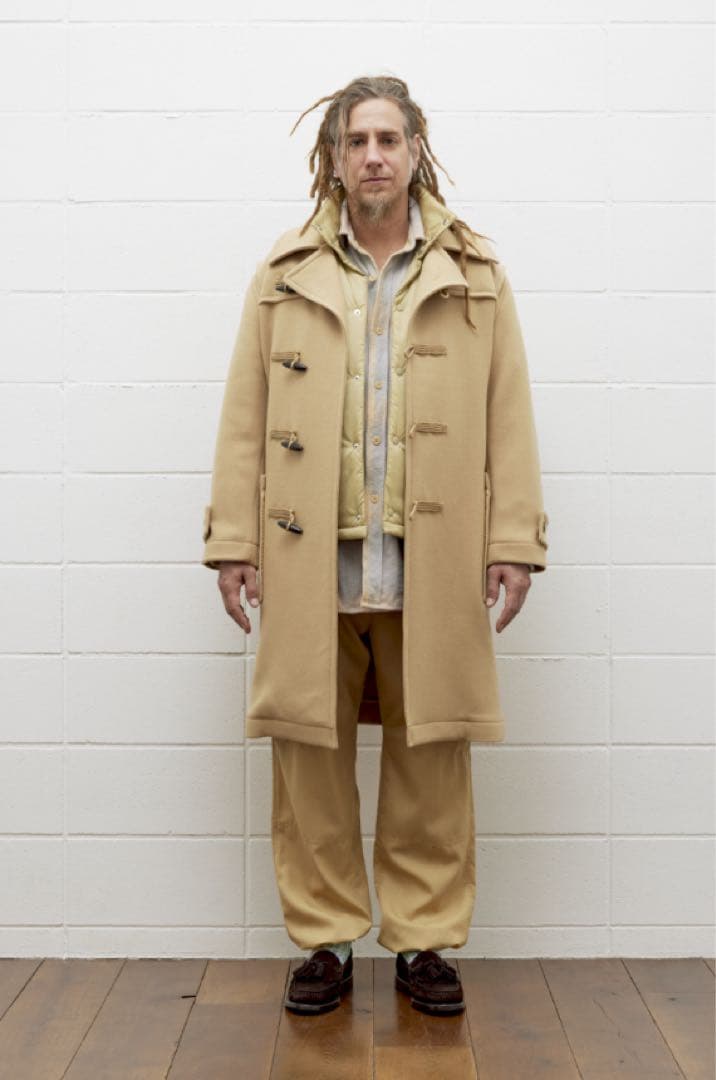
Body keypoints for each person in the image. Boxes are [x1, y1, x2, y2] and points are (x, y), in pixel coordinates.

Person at [202, 75, 549, 1016]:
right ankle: (325, 942)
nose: (373, 157)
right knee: (307, 759)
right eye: (356, 141)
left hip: (432, 558)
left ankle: (424, 943)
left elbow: (508, 411)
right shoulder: (285, 272)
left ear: (415, 150)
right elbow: (246, 415)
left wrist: (513, 537)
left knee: (431, 756)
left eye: (389, 139)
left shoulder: (475, 271)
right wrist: (234, 539)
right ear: (334, 156)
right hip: (311, 556)